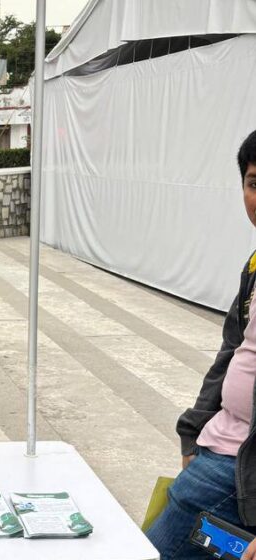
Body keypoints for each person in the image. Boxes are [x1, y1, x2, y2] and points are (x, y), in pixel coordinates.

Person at [146, 130, 256, 560]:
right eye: (253, 183)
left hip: (235, 469)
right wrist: (192, 435)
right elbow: (230, 351)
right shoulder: (254, 264)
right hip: (220, 449)